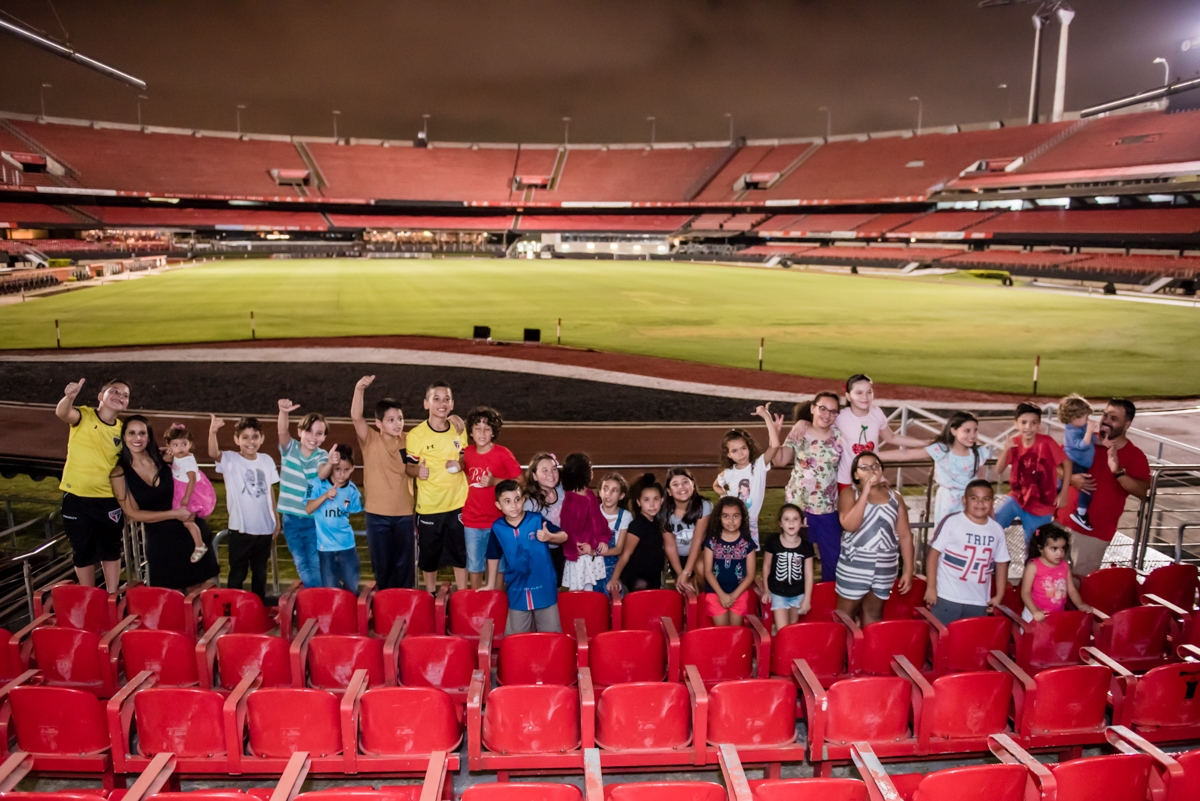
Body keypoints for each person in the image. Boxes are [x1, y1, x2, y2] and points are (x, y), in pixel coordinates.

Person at [112, 416, 218, 591]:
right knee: (169, 600)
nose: (137, 438)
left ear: (149, 436)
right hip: (160, 542)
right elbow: (133, 513)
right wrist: (175, 514)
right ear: (123, 437)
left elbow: (187, 467)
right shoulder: (119, 473)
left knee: (200, 596)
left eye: (142, 433)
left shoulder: (163, 459)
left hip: (190, 535)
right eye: (131, 433)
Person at [1055, 399, 1150, 580]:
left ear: (1127, 424)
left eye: (1114, 418)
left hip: (1092, 536)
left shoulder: (1134, 455)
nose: (1106, 420)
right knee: (1048, 586)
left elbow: (1142, 491)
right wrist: (1072, 479)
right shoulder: (1088, 439)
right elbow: (1053, 465)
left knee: (1078, 588)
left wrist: (1118, 473)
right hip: (1060, 524)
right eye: (1105, 415)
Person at [56, 377, 129, 591]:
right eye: (115, 392)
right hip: (77, 497)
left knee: (111, 550)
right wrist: (69, 397)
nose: (120, 397)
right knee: (82, 550)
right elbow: (63, 413)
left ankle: (111, 596)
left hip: (109, 500)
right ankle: (89, 596)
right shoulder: (85, 415)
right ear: (101, 397)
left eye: (125, 395)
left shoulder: (123, 431)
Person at [346, 376, 415, 591]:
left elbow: (435, 429)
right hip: (377, 516)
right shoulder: (370, 439)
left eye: (400, 418)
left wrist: (456, 422)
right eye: (391, 420)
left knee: (405, 567)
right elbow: (356, 416)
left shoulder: (410, 440)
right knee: (382, 566)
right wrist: (359, 389)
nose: (397, 423)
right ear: (379, 423)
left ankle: (405, 608)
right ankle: (386, 607)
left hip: (405, 514)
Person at [836, 451, 914, 626]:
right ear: (856, 474)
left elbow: (905, 535)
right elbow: (850, 525)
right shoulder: (849, 494)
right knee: (845, 616)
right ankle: (842, 652)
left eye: (875, 466)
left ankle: (868, 652)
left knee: (874, 614)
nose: (871, 470)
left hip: (884, 568)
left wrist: (908, 570)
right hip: (854, 566)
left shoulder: (895, 498)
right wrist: (865, 492)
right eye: (864, 467)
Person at [405, 381, 469, 591]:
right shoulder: (416, 435)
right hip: (430, 507)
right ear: (426, 404)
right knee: (429, 557)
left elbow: (464, 458)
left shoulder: (459, 430)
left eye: (447, 399)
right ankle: (431, 594)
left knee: (461, 555)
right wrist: (417, 472)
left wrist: (459, 465)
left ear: (452, 403)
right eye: (437, 399)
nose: (442, 403)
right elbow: (409, 467)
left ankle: (461, 594)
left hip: (458, 505)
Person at [775, 392, 845, 577]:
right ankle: (796, 603)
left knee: (833, 560)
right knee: (796, 560)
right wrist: (774, 434)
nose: (827, 414)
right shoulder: (799, 432)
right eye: (822, 408)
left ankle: (828, 602)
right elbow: (780, 461)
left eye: (833, 411)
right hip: (799, 509)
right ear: (813, 408)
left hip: (828, 510)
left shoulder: (840, 436)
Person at [209, 415, 279, 599]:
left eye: (255, 436)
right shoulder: (231, 459)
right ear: (236, 439)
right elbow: (213, 453)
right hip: (240, 530)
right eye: (245, 437)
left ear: (262, 438)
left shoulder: (267, 460)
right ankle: (233, 610)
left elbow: (269, 491)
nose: (251, 441)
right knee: (237, 573)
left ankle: (258, 608)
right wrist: (213, 431)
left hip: (264, 529)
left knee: (260, 573)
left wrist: (276, 520)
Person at [879, 411, 990, 526]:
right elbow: (907, 454)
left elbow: (981, 481)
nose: (972, 435)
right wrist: (876, 455)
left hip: (971, 504)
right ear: (953, 431)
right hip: (947, 504)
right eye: (967, 431)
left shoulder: (978, 453)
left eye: (975, 430)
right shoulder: (941, 450)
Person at [924, 480, 1010, 626]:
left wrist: (999, 594)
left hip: (978, 600)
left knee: (970, 643)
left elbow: (1001, 563)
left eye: (986, 499)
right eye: (974, 498)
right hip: (947, 597)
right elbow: (933, 555)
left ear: (992, 501)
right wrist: (931, 587)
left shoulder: (996, 530)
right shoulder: (952, 522)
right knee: (944, 641)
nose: (980, 504)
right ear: (964, 500)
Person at [485, 479, 566, 634]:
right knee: (516, 638)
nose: (514, 505)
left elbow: (564, 536)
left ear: (523, 500)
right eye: (507, 501)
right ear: (498, 505)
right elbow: (493, 555)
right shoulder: (497, 527)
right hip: (517, 589)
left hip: (544, 587)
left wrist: (550, 536)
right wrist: (490, 584)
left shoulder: (536, 519)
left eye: (517, 500)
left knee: (551, 635)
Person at [832, 374, 930, 491]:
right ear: (848, 396)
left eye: (869, 392)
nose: (865, 397)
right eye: (859, 393)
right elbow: (816, 422)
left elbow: (891, 437)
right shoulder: (840, 416)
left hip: (874, 478)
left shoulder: (876, 413)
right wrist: (802, 422)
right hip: (847, 479)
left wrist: (924, 442)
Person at [462, 406, 522, 590]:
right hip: (471, 521)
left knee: (499, 566)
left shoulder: (503, 453)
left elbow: (520, 481)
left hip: (497, 522)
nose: (482, 432)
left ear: (493, 432)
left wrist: (495, 480)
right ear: (470, 431)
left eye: (487, 428)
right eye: (477, 428)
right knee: (474, 566)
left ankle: (496, 601)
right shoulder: (467, 452)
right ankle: (476, 602)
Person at [994, 403, 1071, 545]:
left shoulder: (1047, 443)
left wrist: (1064, 492)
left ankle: (1030, 566)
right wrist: (1006, 450)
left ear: (1039, 425)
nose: (1028, 427)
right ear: (1016, 424)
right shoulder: (1014, 443)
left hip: (1041, 505)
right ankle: (992, 560)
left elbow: (1067, 463)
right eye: (1023, 422)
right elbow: (998, 470)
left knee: (1033, 545)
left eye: (1033, 423)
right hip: (1017, 498)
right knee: (992, 524)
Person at [275, 400, 329, 589]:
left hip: (312, 519)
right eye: (309, 431)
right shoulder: (289, 449)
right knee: (300, 562)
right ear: (299, 432)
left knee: (315, 561)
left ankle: (316, 596)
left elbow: (323, 473)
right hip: (290, 519)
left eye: (319, 433)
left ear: (324, 437)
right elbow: (282, 432)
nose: (313, 437)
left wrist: (331, 463)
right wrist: (283, 412)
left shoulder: (322, 456)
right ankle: (315, 595)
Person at [713, 404, 783, 544]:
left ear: (749, 447)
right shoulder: (728, 473)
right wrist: (723, 494)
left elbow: (775, 446)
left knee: (748, 557)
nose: (740, 453)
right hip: (731, 522)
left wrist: (766, 417)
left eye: (743, 448)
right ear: (728, 455)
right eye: (735, 451)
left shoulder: (758, 466)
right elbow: (716, 484)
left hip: (750, 522)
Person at [306, 443, 363, 591]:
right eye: (338, 469)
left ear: (352, 468)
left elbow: (356, 508)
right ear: (331, 467)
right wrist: (325, 496)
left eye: (346, 470)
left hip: (347, 546)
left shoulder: (352, 490)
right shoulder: (316, 484)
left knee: (352, 588)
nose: (342, 474)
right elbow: (309, 508)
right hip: (326, 549)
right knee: (331, 591)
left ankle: (351, 613)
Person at [606, 473, 672, 594]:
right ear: (638, 502)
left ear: (662, 500)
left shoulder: (659, 522)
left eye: (655, 499)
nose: (652, 505)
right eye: (646, 500)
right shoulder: (637, 525)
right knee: (642, 589)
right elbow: (626, 554)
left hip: (653, 574)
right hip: (637, 576)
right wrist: (615, 578)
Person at [163, 424, 215, 563]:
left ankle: (199, 545)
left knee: (187, 521)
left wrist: (186, 497)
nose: (180, 448)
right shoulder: (179, 457)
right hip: (182, 487)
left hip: (189, 492)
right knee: (184, 520)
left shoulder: (188, 462)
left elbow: (191, 480)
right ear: (169, 446)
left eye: (184, 444)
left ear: (190, 444)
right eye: (176, 445)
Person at [701, 497, 758, 626]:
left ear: (742, 518)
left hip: (739, 594)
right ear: (719, 518)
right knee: (722, 632)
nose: (731, 521)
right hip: (715, 593)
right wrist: (722, 595)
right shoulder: (711, 540)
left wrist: (733, 596)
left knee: (735, 632)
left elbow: (750, 575)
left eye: (736, 516)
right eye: (726, 516)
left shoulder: (747, 542)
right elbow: (708, 572)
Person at [558, 453, 611, 592]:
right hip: (580, 559)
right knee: (578, 593)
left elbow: (600, 522)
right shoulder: (570, 500)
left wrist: (603, 540)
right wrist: (578, 550)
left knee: (589, 591)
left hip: (591, 554)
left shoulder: (589, 494)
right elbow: (567, 530)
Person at [1020, 523, 1093, 622]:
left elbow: (1071, 590)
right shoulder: (1033, 567)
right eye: (1054, 549)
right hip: (1034, 616)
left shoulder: (1064, 566)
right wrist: (1035, 611)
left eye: (1062, 548)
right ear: (1040, 548)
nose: (1060, 553)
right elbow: (1025, 592)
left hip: (1057, 615)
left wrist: (1080, 604)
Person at [759, 504, 815, 631]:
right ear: (780, 523)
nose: (791, 522)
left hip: (798, 593)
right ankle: (783, 650)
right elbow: (766, 566)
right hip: (778, 593)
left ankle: (790, 650)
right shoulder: (773, 542)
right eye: (786, 519)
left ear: (801, 523)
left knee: (793, 626)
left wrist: (807, 599)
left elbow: (809, 574)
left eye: (795, 519)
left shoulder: (806, 547)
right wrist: (766, 590)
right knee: (783, 629)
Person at [661, 467, 712, 593]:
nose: (682, 487)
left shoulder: (703, 506)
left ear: (693, 484)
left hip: (700, 553)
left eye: (685, 482)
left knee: (700, 568)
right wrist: (681, 574)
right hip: (680, 559)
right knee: (686, 591)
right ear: (669, 491)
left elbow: (697, 540)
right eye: (675, 484)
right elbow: (670, 546)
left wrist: (687, 572)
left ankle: (708, 596)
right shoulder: (665, 512)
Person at [522, 453, 567, 585]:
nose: (551, 474)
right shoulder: (530, 504)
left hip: (561, 547)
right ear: (534, 476)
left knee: (558, 583)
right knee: (545, 584)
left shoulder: (562, 491)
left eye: (554, 469)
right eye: (545, 470)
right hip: (540, 552)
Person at [1057, 394, 1098, 532]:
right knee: (1087, 488)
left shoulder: (1079, 427)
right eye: (1086, 417)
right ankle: (1081, 514)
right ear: (1075, 418)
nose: (1088, 421)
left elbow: (1092, 439)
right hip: (1074, 463)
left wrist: (1105, 442)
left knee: (1061, 487)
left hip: (1078, 462)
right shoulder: (1072, 431)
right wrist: (1089, 430)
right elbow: (1082, 445)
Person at [597, 472, 631, 597]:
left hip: (613, 569)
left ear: (621, 495)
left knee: (613, 601)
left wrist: (595, 552)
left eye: (614, 490)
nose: (608, 494)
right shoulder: (593, 511)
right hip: (591, 567)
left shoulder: (625, 516)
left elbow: (619, 549)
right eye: (605, 489)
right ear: (600, 492)